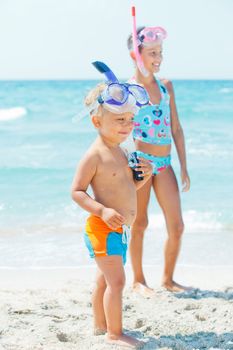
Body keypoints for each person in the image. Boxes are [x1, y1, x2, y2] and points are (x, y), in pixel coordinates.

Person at [71, 61, 152, 348]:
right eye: (120, 120)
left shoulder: (121, 151)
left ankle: (99, 324)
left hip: (118, 230)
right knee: (117, 282)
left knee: (105, 281)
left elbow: (129, 188)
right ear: (97, 122)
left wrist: (147, 175)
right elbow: (77, 191)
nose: (127, 126)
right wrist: (102, 210)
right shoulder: (94, 155)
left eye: (130, 120)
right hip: (102, 227)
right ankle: (114, 334)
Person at [126, 7, 191, 294]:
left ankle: (167, 279)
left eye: (160, 52)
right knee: (140, 222)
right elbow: (115, 132)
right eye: (152, 52)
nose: (158, 58)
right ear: (136, 55)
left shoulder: (166, 87)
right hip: (140, 162)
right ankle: (139, 280)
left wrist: (184, 166)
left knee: (176, 226)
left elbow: (176, 128)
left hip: (164, 163)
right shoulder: (126, 91)